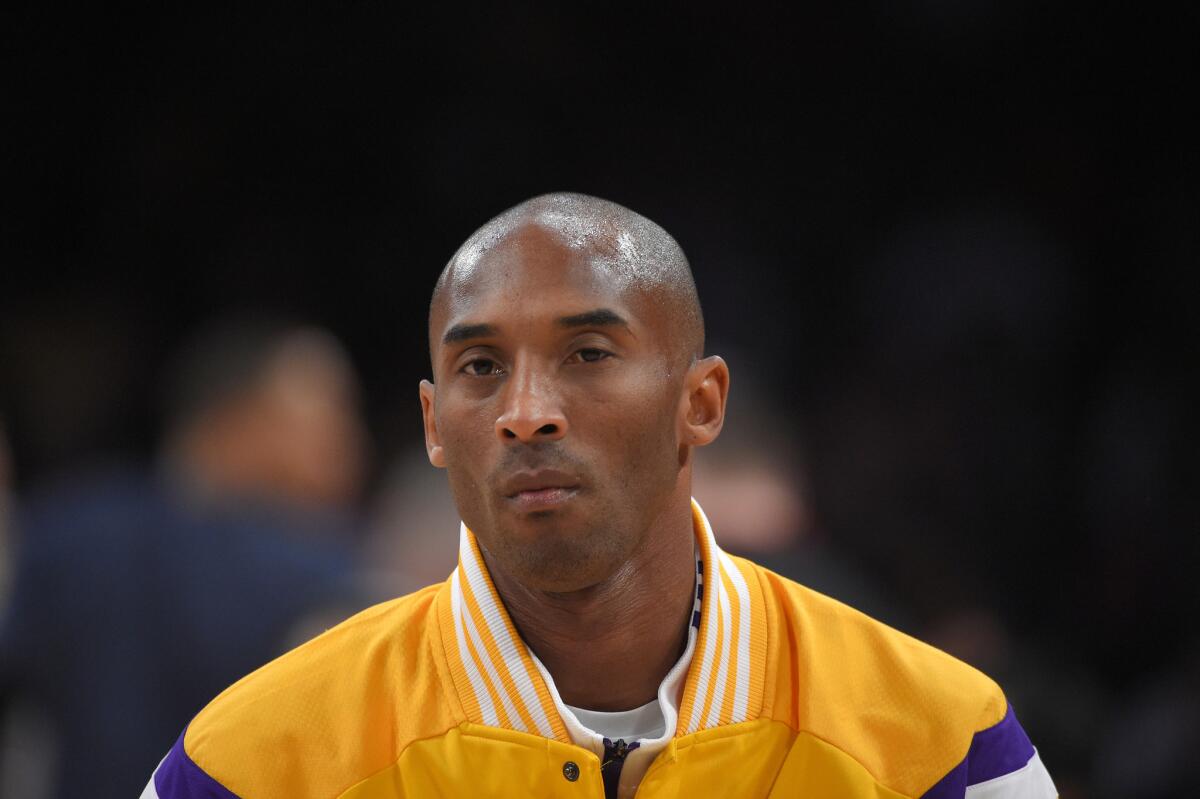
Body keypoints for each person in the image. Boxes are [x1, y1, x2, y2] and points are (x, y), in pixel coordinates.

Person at [142, 194, 1057, 798]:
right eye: (480, 366)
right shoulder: (253, 762)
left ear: (700, 404)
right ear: (432, 423)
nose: (526, 413)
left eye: (587, 353)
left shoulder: (943, 743)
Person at [1, 318, 368, 799]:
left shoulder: (63, 525)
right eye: (329, 415)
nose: (350, 445)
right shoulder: (316, 570)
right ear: (238, 422)